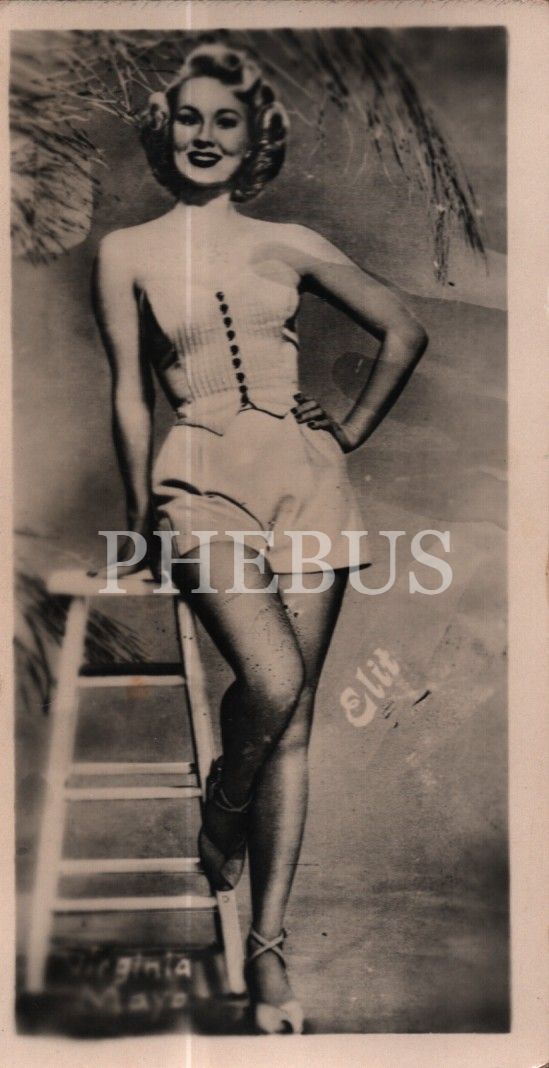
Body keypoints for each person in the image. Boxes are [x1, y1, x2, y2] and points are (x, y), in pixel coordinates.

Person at [92, 42, 427, 1034]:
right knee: (271, 684)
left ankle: (270, 950)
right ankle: (225, 806)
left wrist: (349, 431)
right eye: (189, 118)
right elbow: (127, 392)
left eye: (225, 121)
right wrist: (139, 512)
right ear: (167, 131)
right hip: (196, 484)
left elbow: (404, 329)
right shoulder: (127, 252)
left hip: (306, 485)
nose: (204, 136)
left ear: (254, 140)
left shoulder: (292, 239)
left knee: (297, 721)